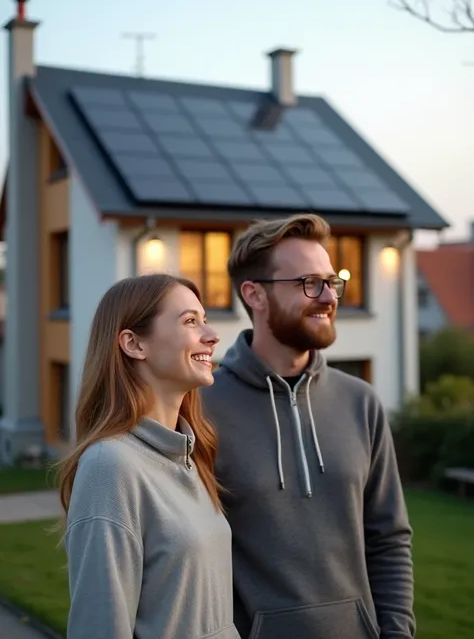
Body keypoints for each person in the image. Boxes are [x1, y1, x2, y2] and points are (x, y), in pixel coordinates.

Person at [203, 214, 415, 639]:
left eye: (331, 282)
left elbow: (389, 541)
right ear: (254, 295)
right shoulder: (201, 409)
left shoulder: (361, 403)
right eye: (308, 283)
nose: (328, 296)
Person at [58, 274, 241, 639]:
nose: (211, 334)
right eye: (190, 321)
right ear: (134, 344)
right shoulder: (110, 467)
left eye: (204, 319)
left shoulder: (189, 454)